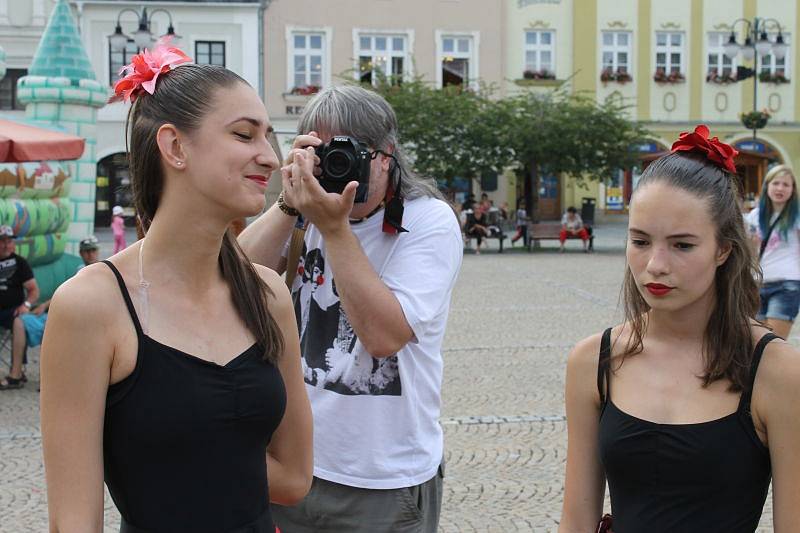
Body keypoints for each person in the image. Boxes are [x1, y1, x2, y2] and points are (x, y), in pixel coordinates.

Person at [40, 42, 312, 532]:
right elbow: (74, 522)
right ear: (175, 147)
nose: (270, 158)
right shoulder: (91, 306)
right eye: (244, 134)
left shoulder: (268, 295)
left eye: (268, 137)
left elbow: (294, 478)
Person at [239, 84, 463, 533]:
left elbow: (383, 338)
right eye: (323, 155)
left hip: (383, 481)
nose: (340, 168)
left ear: (388, 154)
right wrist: (288, 200)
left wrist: (333, 228)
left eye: (353, 152)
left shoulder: (428, 221)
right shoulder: (301, 211)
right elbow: (235, 285)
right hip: (292, 466)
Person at [560, 125, 800, 532]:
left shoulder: (776, 371)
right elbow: (576, 520)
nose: (655, 264)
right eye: (639, 241)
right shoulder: (593, 361)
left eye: (682, 245)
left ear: (723, 248)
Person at [18, 236, 102, 352]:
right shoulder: (80, 270)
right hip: (72, 313)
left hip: (90, 319)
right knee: (28, 322)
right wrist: (44, 305)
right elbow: (67, 292)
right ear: (81, 253)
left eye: (93, 250)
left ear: (98, 251)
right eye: (87, 251)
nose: (91, 254)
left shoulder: (103, 271)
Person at [744, 165, 800, 340]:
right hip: (757, 284)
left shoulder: (797, 217)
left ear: (792, 190)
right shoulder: (755, 216)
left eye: (786, 184)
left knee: (772, 343)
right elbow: (750, 253)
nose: (780, 188)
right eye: (776, 183)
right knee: (755, 341)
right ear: (767, 186)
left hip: (787, 285)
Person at [0, 225, 40, 390]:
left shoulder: (20, 263)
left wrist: (27, 305)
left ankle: (16, 373)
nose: (6, 245)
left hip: (13, 312)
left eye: (9, 241)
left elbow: (34, 290)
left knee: (20, 323)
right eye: (2, 241)